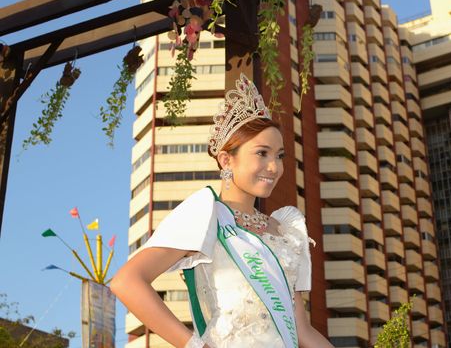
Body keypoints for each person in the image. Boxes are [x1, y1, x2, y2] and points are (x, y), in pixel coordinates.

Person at [110, 74, 334, 348]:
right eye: (262, 153)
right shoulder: (205, 213)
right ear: (226, 159)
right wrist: (195, 346)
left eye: (279, 156)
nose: (274, 167)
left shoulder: (283, 230)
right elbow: (126, 282)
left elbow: (302, 329)